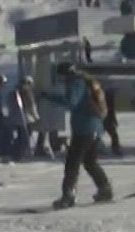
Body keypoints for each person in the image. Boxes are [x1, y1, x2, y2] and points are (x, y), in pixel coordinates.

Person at [43, 62, 114, 208]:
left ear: (64, 74)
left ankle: (68, 196)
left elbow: (71, 102)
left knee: (72, 163)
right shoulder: (85, 82)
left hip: (84, 129)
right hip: (94, 128)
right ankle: (105, 189)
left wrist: (49, 97)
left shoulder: (76, 83)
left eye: (60, 76)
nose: (60, 79)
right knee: (90, 162)